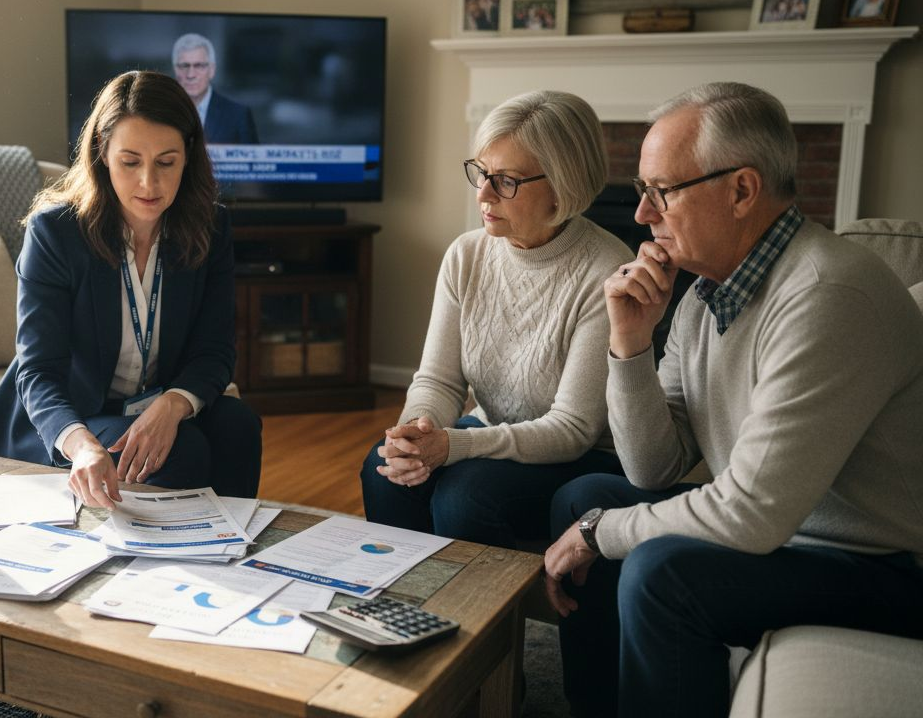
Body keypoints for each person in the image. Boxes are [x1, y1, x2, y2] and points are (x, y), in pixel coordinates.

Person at [543, 82, 923, 718]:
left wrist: (600, 534)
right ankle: (598, 706)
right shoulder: (702, 296)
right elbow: (651, 470)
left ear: (742, 190)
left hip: (883, 567)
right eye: (641, 192)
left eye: (661, 191)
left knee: (658, 571)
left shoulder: (828, 294)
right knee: (586, 496)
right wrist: (630, 344)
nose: (641, 215)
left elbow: (749, 512)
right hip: (794, 536)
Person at [0, 70, 262, 509]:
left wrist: (172, 405)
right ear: (102, 155)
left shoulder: (210, 226)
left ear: (188, 158)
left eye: (166, 162)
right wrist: (81, 445)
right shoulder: (55, 233)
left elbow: (215, 350)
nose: (149, 183)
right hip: (77, 414)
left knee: (238, 425)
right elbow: (38, 371)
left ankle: (230, 547)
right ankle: (161, 566)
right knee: (182, 453)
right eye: (130, 162)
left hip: (157, 396)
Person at [359, 90, 633, 550]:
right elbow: (439, 381)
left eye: (505, 181)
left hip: (586, 455)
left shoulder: (606, 269)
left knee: (466, 498)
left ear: (562, 185)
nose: (483, 194)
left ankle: (484, 617)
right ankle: (405, 608)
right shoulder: (466, 254)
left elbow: (572, 429)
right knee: (384, 469)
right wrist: (416, 435)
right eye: (482, 173)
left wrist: (453, 445)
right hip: (492, 429)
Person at [171, 33, 259, 145]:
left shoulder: (238, 115)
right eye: (184, 66)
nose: (191, 74)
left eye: (199, 66)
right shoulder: (160, 113)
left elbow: (251, 161)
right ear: (175, 70)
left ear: (212, 70)